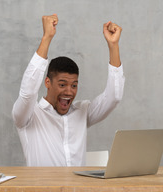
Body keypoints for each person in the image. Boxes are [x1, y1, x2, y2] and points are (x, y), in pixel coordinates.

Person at [12, 14, 125, 166]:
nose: (69, 92)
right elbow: (28, 93)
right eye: (62, 84)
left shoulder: (83, 112)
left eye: (74, 85)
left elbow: (114, 97)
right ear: (47, 82)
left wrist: (114, 46)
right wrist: (47, 38)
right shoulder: (28, 116)